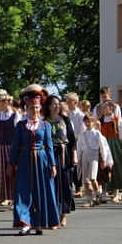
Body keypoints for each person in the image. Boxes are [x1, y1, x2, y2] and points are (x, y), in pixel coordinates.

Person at [7, 84, 60, 236]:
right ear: (27, 109)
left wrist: (53, 164)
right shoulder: (21, 125)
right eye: (32, 108)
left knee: (41, 191)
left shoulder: (45, 125)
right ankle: (25, 223)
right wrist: (11, 164)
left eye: (37, 108)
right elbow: (15, 145)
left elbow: (49, 146)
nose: (35, 111)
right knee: (23, 191)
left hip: (42, 160)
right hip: (24, 160)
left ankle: (39, 223)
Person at [43, 94, 77, 226]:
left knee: (65, 183)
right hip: (50, 154)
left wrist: (74, 155)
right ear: (49, 106)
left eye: (58, 104)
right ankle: (53, 214)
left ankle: (63, 214)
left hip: (64, 154)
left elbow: (72, 140)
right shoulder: (44, 121)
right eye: (54, 104)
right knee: (52, 184)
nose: (57, 106)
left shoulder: (66, 120)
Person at [76, 114, 113, 207]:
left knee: (92, 177)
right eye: (86, 122)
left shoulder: (96, 133)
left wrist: (104, 159)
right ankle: (89, 200)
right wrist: (78, 158)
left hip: (94, 154)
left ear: (93, 122)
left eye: (89, 122)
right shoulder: (82, 134)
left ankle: (98, 195)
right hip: (85, 155)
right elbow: (79, 147)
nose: (88, 124)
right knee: (86, 180)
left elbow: (103, 146)